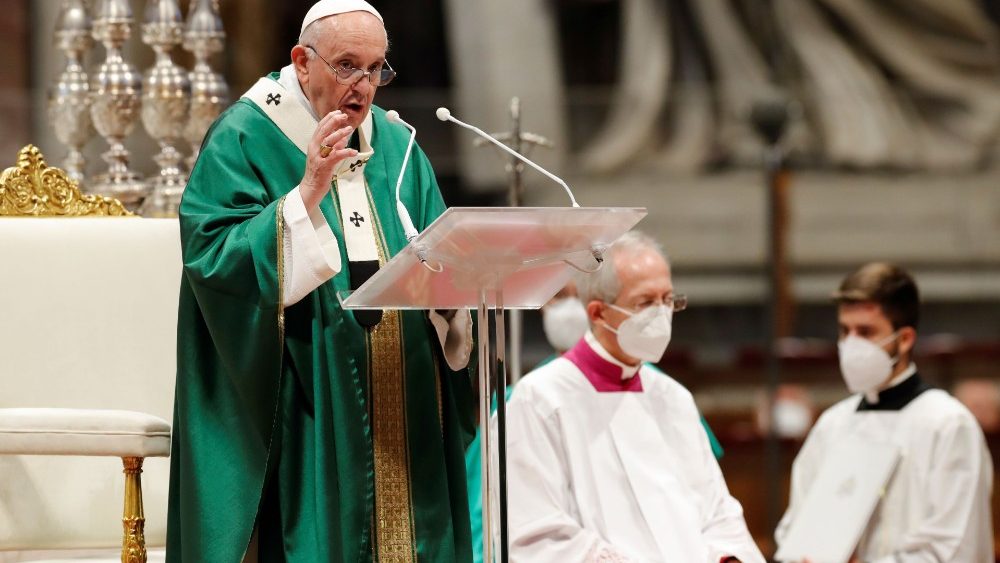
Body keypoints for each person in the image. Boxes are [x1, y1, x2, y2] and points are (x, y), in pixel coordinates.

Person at [166, 1, 476, 561]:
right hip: (306, 389)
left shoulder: (397, 143)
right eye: (347, 65)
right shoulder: (245, 133)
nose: (364, 85)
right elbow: (212, 258)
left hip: (404, 388)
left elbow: (441, 250)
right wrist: (306, 192)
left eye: (377, 68)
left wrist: (457, 292)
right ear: (302, 62)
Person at [505, 230, 764, 562]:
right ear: (598, 313)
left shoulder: (673, 398)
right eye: (645, 303)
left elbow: (718, 512)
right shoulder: (539, 400)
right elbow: (540, 533)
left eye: (668, 300)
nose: (661, 314)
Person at [775, 262, 993, 562]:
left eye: (865, 332)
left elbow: (953, 547)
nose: (851, 344)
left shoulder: (948, 425)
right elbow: (796, 528)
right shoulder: (833, 424)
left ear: (904, 339)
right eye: (845, 331)